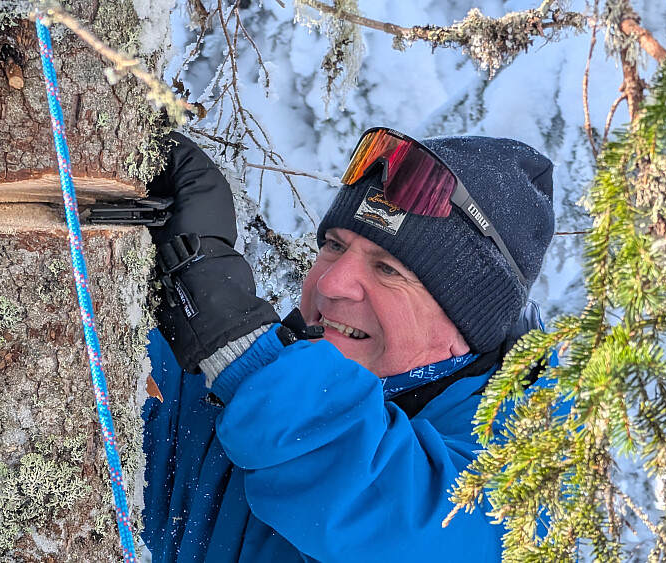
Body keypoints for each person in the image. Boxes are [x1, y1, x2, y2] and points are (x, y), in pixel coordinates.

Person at [141, 127, 555, 562]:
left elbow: (402, 525)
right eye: (335, 246)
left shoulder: (524, 480)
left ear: (465, 328)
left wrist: (238, 343)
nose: (332, 283)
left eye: (388, 270)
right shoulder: (236, 386)